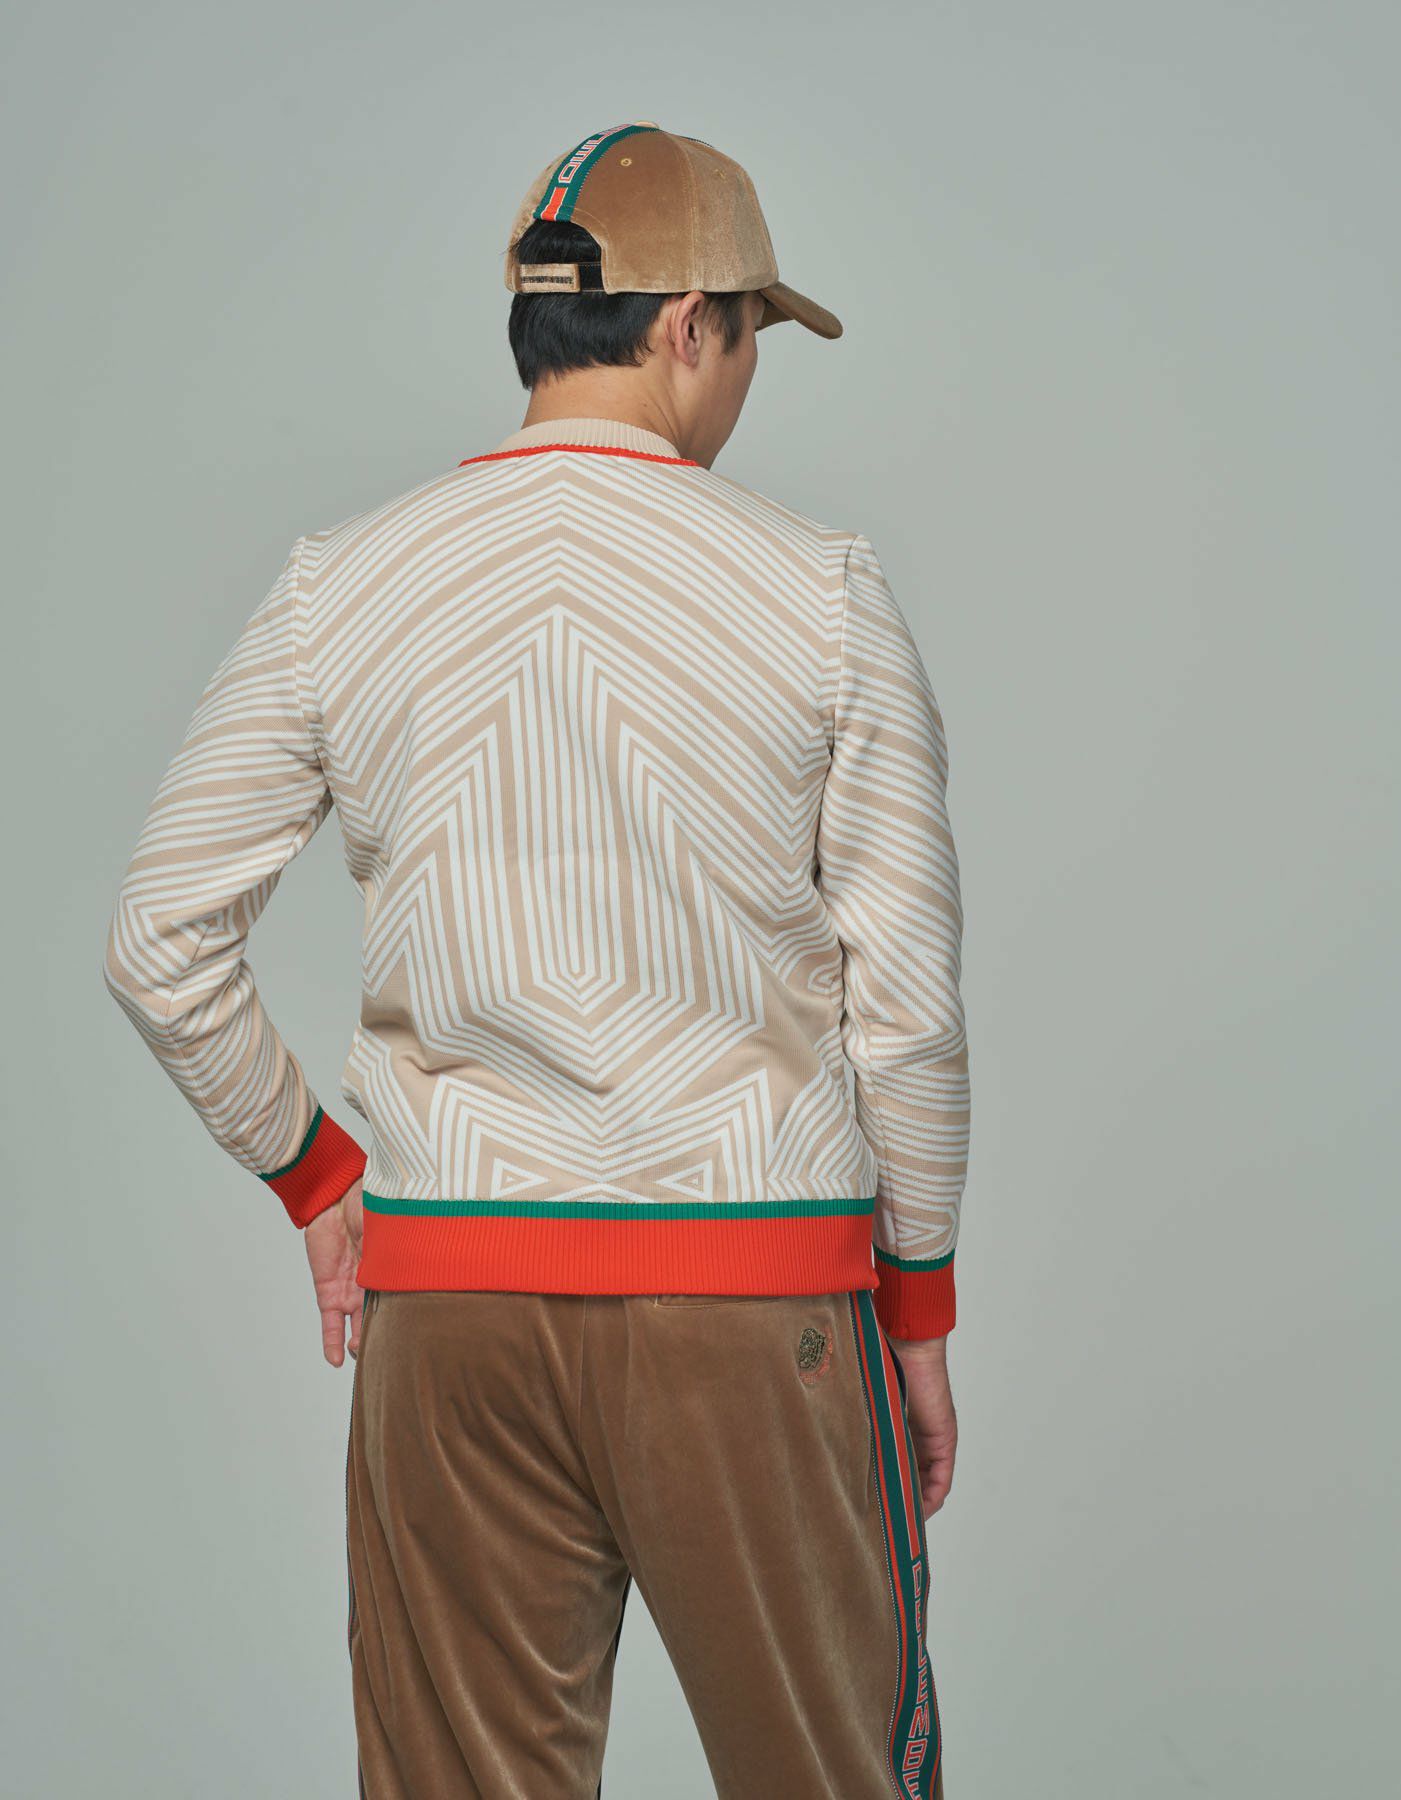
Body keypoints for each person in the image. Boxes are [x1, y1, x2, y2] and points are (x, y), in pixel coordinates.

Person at [103, 121, 970, 1800]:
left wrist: (317, 1174)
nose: (747, 379)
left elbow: (160, 940)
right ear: (688, 326)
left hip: (453, 1311)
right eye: (752, 337)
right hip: (755, 1301)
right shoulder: (822, 593)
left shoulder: (341, 585)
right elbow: (910, 1015)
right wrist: (918, 1307)